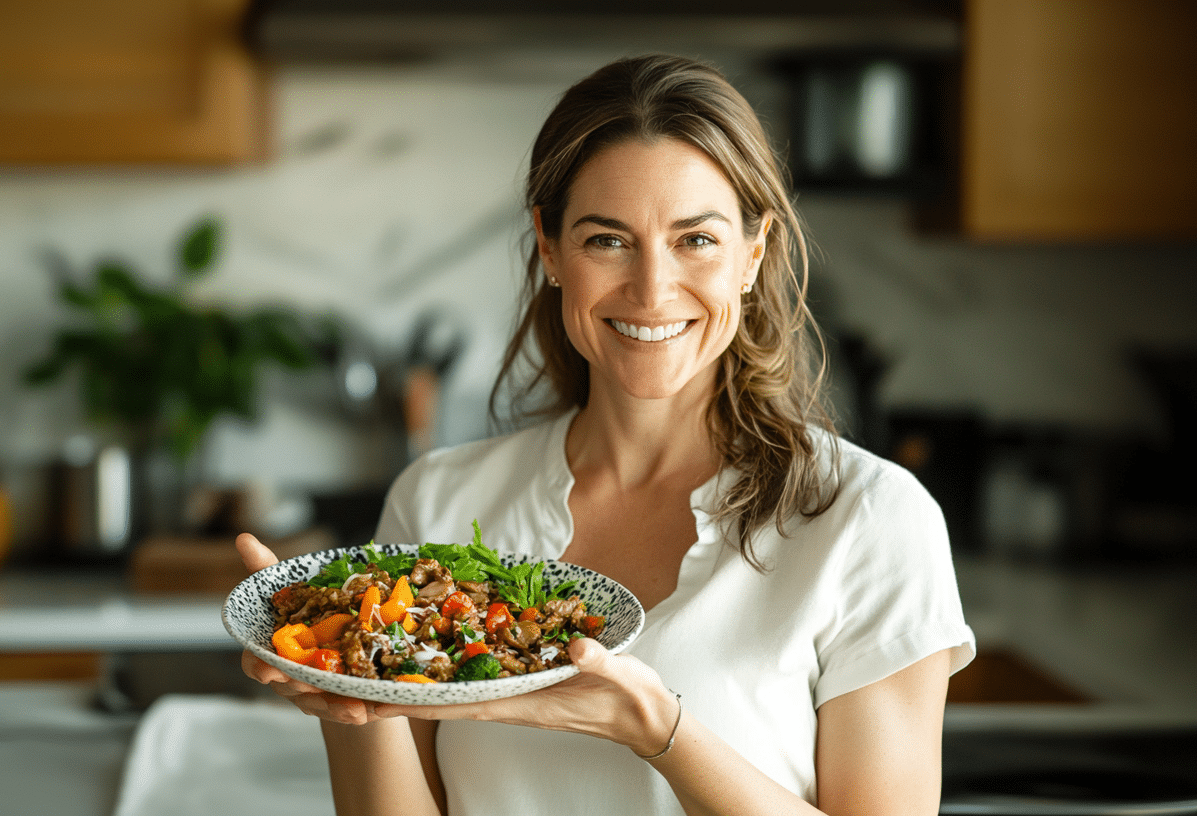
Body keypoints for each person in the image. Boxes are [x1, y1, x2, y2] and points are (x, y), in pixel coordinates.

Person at [236, 53, 974, 816]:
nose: (653, 290)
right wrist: (345, 669)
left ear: (753, 255)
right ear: (550, 248)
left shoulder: (870, 519)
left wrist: (660, 732)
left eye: (697, 240)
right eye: (607, 240)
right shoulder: (439, 501)